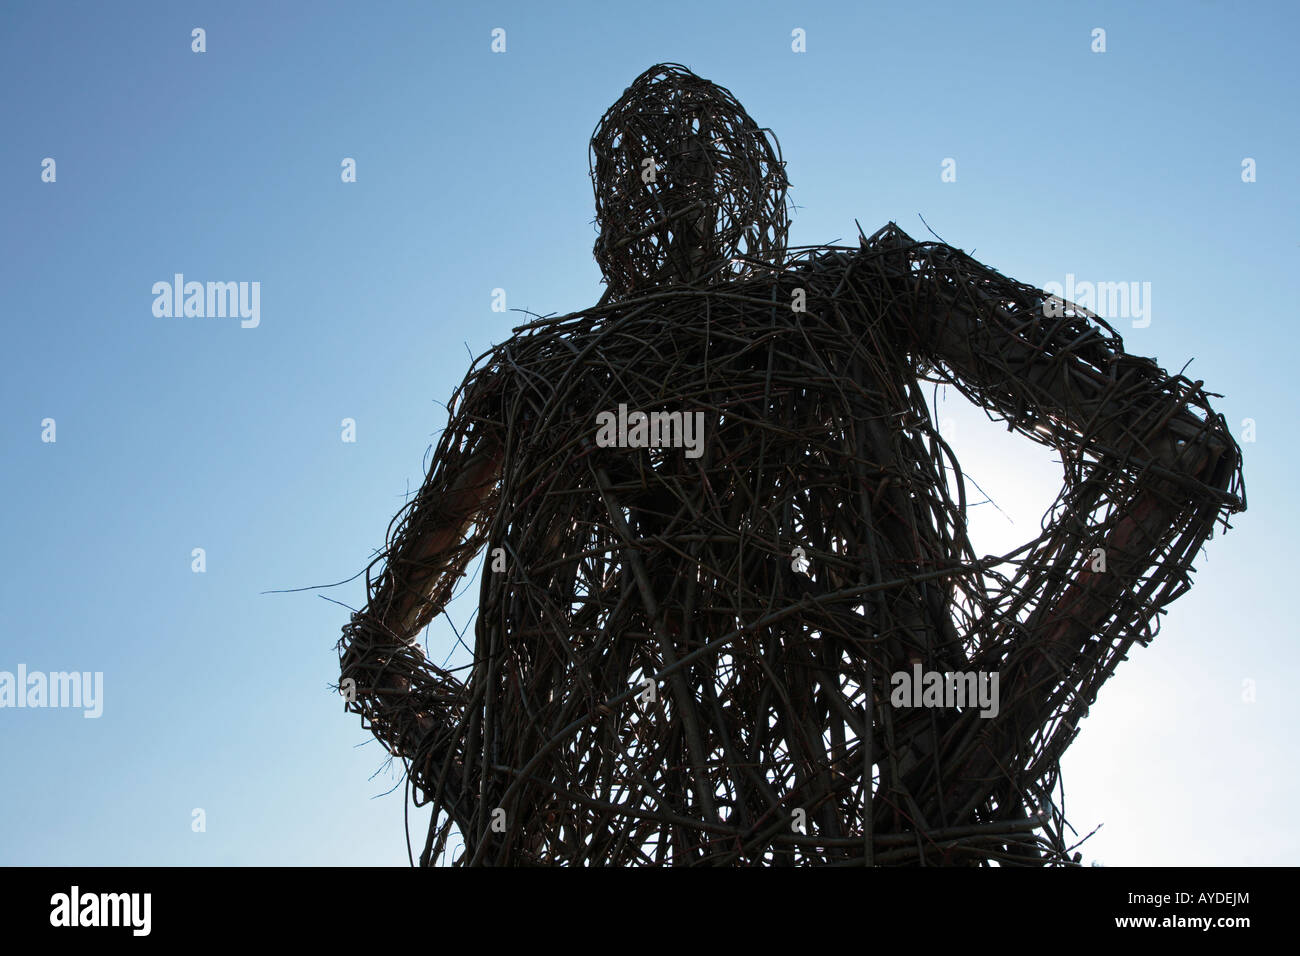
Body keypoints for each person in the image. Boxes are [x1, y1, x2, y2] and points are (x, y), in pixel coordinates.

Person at [338, 64, 1244, 866]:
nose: (675, 196)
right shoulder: (535, 389)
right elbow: (1175, 452)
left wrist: (970, 757)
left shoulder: (856, 300)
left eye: (703, 170)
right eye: (652, 177)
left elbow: (1175, 451)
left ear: (755, 196)